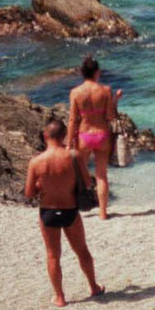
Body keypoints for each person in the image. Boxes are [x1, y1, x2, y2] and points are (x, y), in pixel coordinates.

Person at [24, 118, 102, 306]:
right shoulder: (74, 156)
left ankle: (59, 297)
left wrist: (40, 185)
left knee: (53, 255)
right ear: (64, 136)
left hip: (48, 212)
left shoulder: (36, 162)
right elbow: (88, 182)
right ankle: (93, 287)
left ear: (45, 135)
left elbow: (29, 193)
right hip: (70, 210)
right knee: (82, 251)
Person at [68, 56, 118, 220]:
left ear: (82, 73)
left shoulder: (75, 92)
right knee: (101, 176)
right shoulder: (105, 90)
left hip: (84, 135)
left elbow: (73, 120)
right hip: (102, 134)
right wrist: (115, 100)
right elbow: (110, 116)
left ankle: (74, 211)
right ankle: (103, 213)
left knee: (78, 176)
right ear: (97, 72)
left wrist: (68, 143)